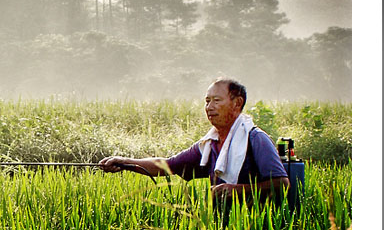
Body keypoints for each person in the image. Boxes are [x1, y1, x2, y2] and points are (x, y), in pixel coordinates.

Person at [98, 78, 290, 206]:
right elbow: (167, 165)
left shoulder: (255, 139)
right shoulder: (209, 145)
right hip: (224, 229)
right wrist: (124, 162)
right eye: (207, 101)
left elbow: (282, 183)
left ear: (237, 103)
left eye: (216, 100)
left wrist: (239, 190)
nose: (209, 107)